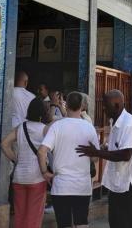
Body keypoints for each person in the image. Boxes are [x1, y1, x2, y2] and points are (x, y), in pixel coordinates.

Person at [75, 89, 132, 228]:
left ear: (117, 105)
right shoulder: (114, 121)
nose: (103, 108)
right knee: (115, 222)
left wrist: (97, 152)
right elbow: (116, 147)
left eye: (105, 105)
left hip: (130, 183)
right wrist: (102, 149)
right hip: (117, 182)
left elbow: (126, 155)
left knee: (126, 223)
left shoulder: (128, 123)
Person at [37, 92, 99, 228]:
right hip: (82, 186)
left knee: (64, 224)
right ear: (82, 106)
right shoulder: (89, 127)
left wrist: (44, 172)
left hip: (61, 186)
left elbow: (41, 151)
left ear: (67, 105)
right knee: (82, 222)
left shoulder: (57, 126)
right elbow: (95, 157)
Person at [0, 98, 48, 228]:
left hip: (19, 178)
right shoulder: (44, 129)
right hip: (37, 177)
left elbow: (4, 144)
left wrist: (16, 159)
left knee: (20, 216)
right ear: (43, 112)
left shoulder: (21, 127)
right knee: (34, 217)